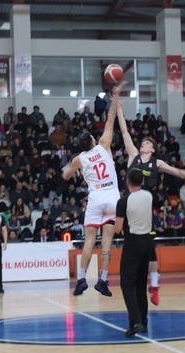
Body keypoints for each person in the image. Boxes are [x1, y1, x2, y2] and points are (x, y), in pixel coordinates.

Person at [116, 94, 185, 305]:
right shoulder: (133, 155)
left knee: (150, 249)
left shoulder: (158, 163)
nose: (143, 143)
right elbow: (125, 131)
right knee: (128, 243)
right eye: (143, 142)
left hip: (146, 207)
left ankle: (154, 285)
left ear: (152, 149)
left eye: (147, 143)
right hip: (129, 205)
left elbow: (177, 172)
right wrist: (118, 108)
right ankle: (131, 280)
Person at [62, 82, 124, 297]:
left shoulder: (80, 158)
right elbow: (110, 119)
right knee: (107, 241)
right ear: (91, 140)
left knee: (89, 240)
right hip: (112, 196)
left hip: (96, 197)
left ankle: (80, 280)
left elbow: (65, 175)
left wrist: (70, 170)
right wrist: (114, 98)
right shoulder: (103, 146)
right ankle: (103, 280)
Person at [115, 169, 152, 337]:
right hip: (147, 242)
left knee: (126, 284)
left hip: (133, 243)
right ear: (142, 182)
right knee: (140, 284)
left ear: (128, 181)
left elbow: (117, 229)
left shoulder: (123, 201)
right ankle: (142, 323)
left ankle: (135, 321)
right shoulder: (149, 196)